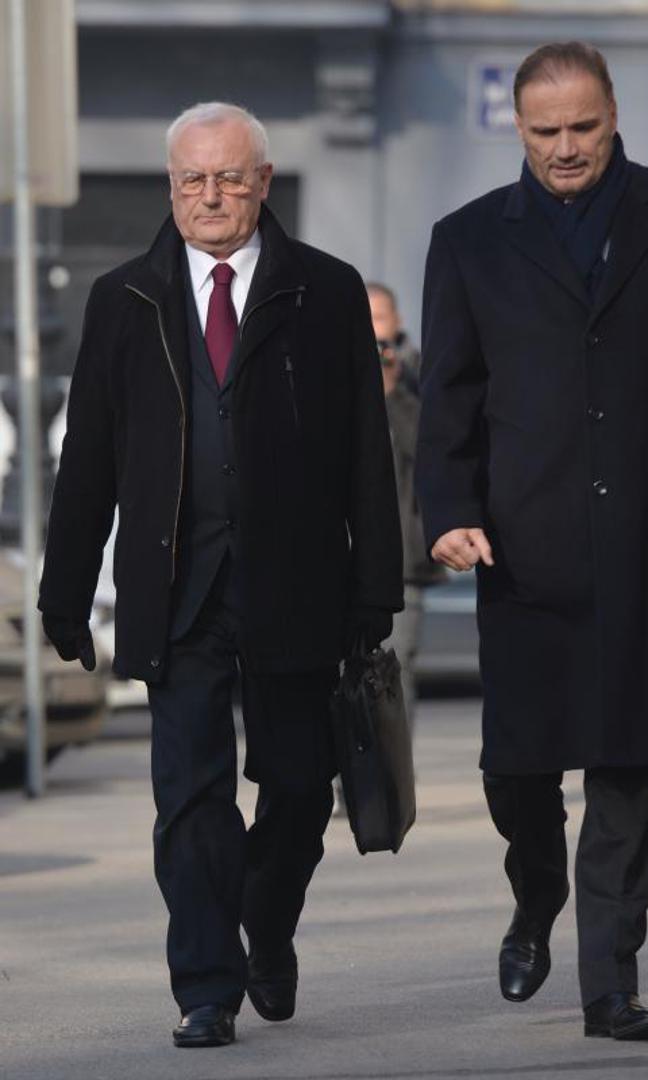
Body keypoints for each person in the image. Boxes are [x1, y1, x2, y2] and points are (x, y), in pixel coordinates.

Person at [38, 102, 403, 1049]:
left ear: (262, 183)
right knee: (190, 798)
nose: (210, 196)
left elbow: (366, 451)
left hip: (296, 586)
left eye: (229, 178)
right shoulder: (124, 298)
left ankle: (265, 926)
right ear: (171, 187)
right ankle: (206, 985)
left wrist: (376, 586)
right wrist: (64, 591)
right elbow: (90, 460)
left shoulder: (324, 291)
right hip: (176, 590)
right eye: (192, 179)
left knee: (299, 786)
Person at [416, 42, 648, 1041]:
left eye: (582, 128)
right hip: (524, 550)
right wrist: (447, 511)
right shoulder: (468, 239)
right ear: (517, 128)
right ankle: (536, 892)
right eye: (544, 131)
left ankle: (610, 982)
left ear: (613, 117)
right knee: (519, 768)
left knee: (626, 766)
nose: (564, 148)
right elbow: (450, 398)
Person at [366, 282, 443, 733]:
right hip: (343, 554)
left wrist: (393, 392)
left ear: (396, 322)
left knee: (394, 670)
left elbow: (432, 451)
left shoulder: (419, 375)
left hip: (401, 561)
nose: (372, 329)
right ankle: (350, 770)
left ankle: (392, 770)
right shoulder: (331, 369)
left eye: (379, 318)